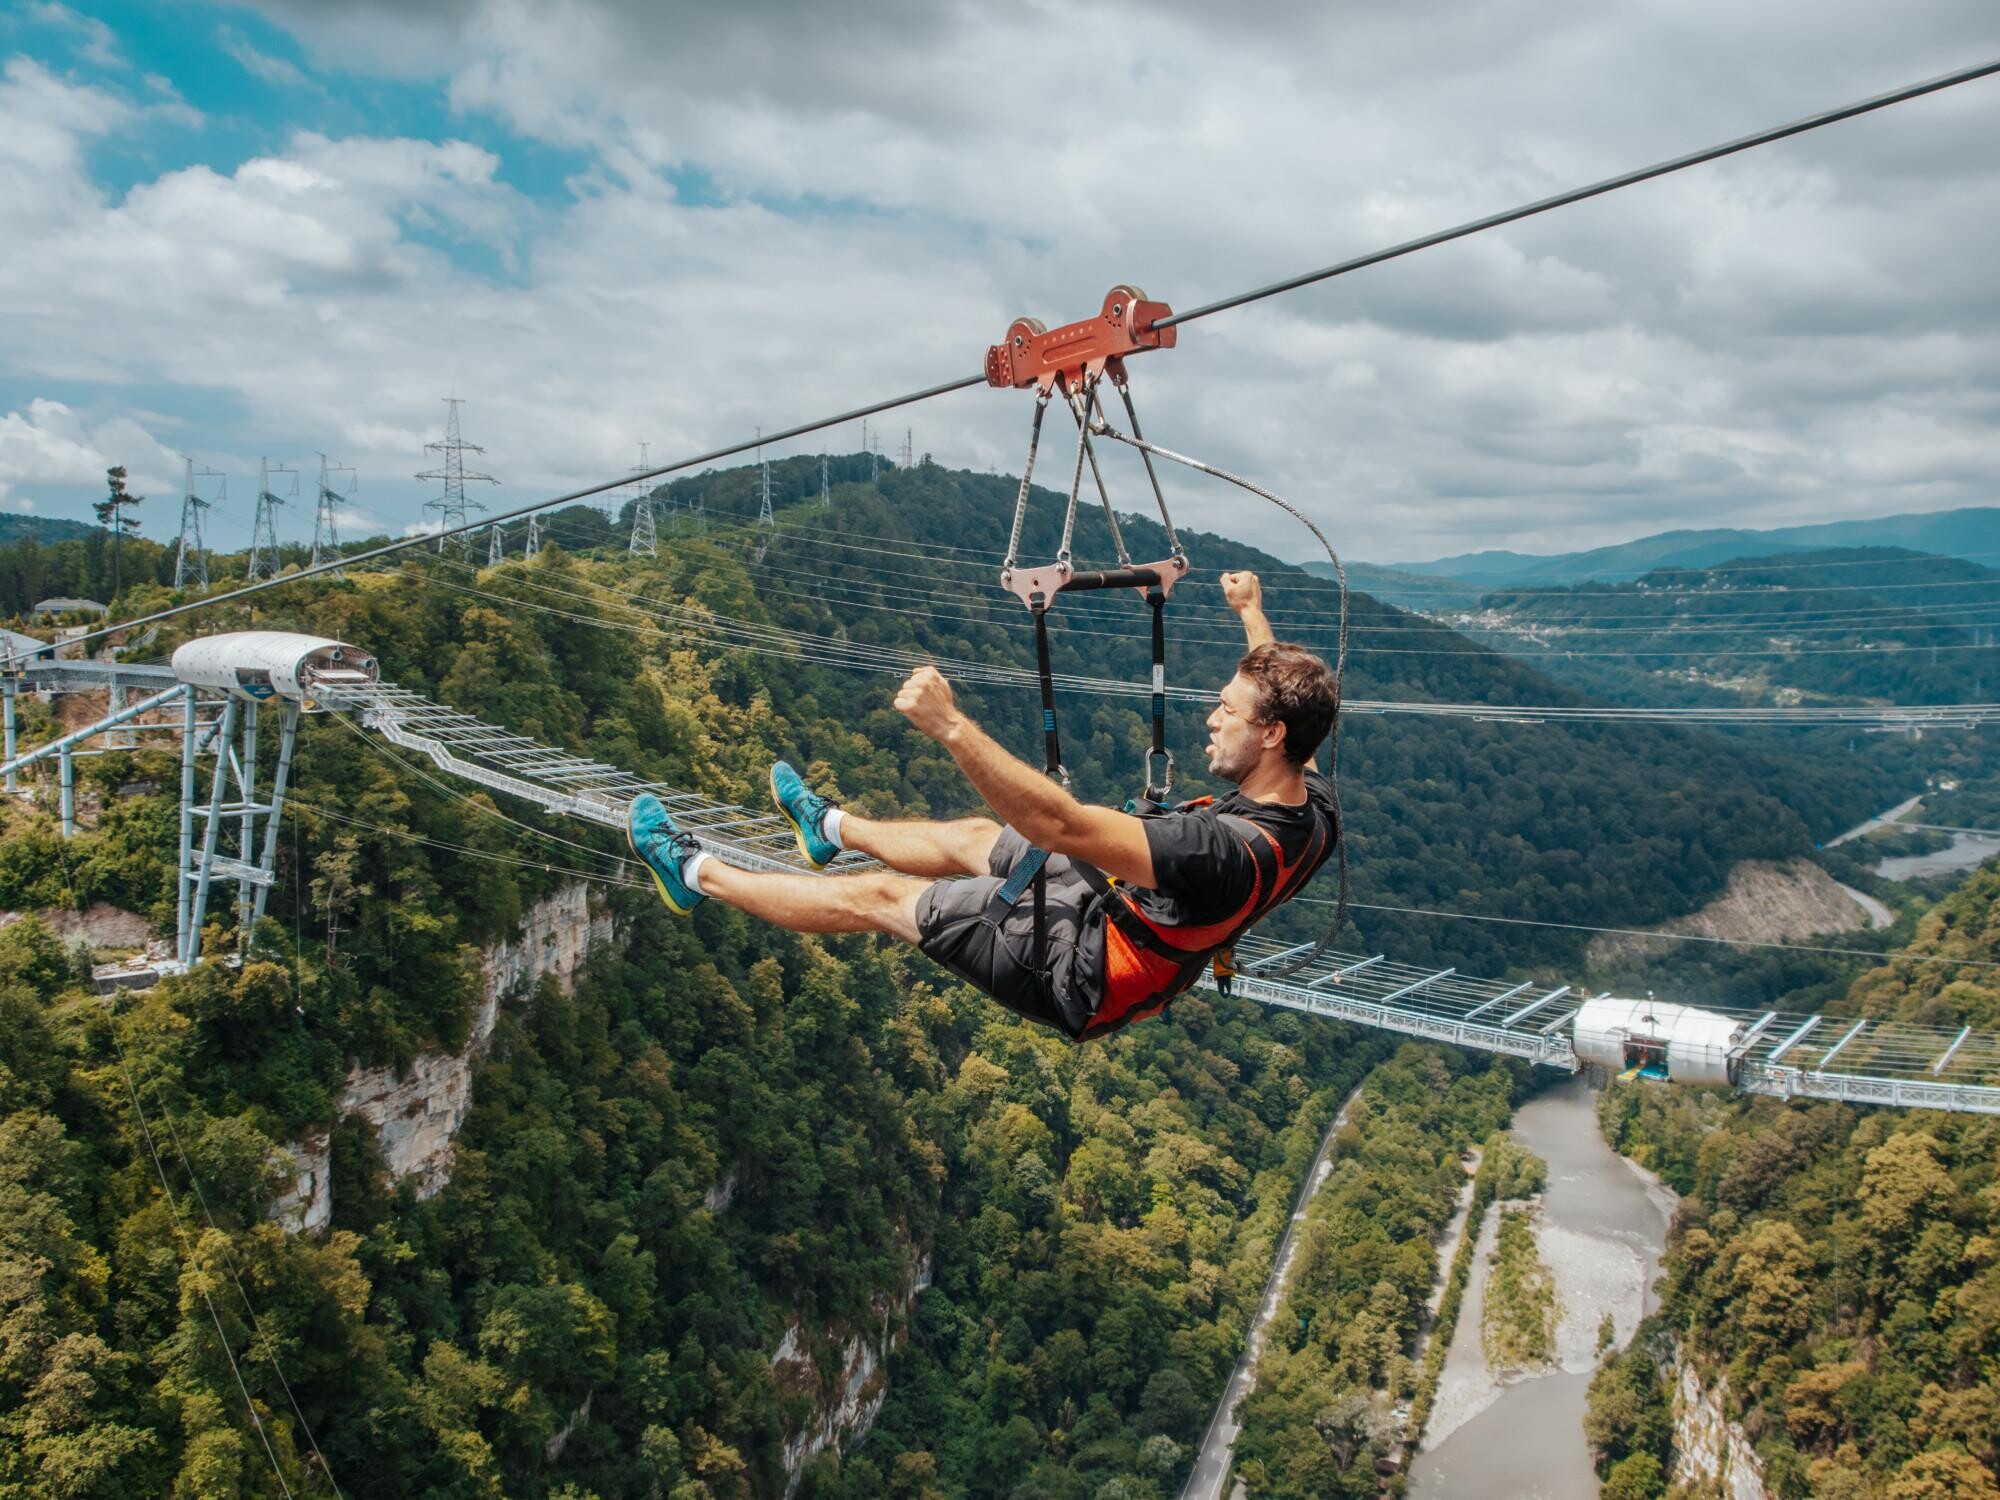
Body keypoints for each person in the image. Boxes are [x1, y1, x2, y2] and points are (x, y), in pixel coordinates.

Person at [627, 570, 1339, 1042]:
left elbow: (1056, 821)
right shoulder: (1311, 808)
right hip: (1120, 908)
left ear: (1270, 736)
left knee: (879, 899)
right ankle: (827, 828)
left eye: (1226, 711)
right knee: (974, 837)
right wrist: (1252, 615)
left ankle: (689, 872)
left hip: (1081, 970)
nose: (1212, 718)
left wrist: (951, 727)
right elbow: (1276, 697)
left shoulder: (1216, 853)